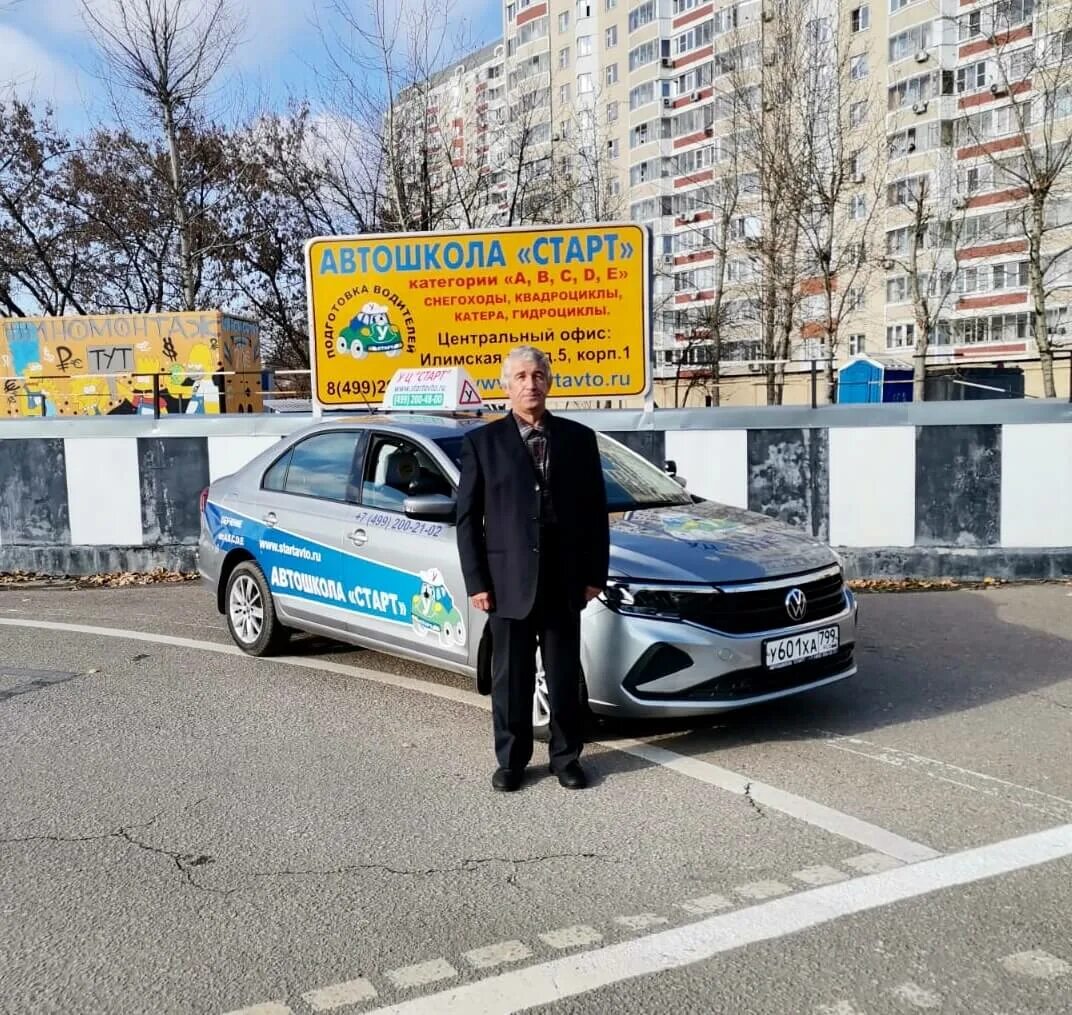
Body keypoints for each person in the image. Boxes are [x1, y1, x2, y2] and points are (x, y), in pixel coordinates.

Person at [456, 346, 609, 792]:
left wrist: (594, 575)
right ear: (507, 386)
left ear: (549, 381)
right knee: (511, 680)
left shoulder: (579, 440)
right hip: (506, 585)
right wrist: (477, 581)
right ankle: (511, 761)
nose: (531, 384)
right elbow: (467, 520)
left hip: (564, 582)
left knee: (563, 677)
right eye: (521, 376)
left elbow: (594, 512)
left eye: (538, 374)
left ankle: (566, 758)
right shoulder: (481, 444)